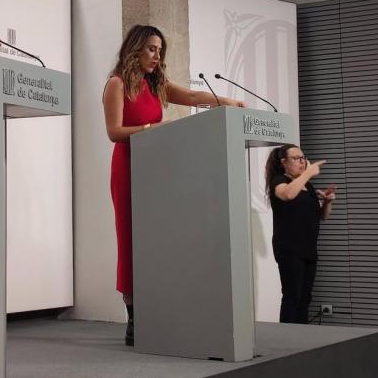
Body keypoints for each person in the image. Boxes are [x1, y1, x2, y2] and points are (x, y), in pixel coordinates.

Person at [102, 24, 245, 346]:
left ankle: (158, 309)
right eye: (152, 49)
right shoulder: (117, 83)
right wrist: (150, 128)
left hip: (157, 170)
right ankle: (134, 316)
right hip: (128, 168)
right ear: (135, 48)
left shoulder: (156, 84)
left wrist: (227, 102)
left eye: (160, 50)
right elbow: (114, 132)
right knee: (130, 240)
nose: (157, 56)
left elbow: (192, 96)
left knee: (157, 240)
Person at [265, 144, 334, 324]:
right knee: (292, 296)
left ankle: (302, 337)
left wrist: (327, 202)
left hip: (308, 249)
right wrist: (308, 173)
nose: (302, 162)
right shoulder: (279, 181)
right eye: (296, 158)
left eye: (303, 158)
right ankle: (286, 338)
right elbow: (287, 195)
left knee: (305, 298)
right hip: (289, 249)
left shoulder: (308, 186)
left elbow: (323, 217)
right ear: (284, 162)